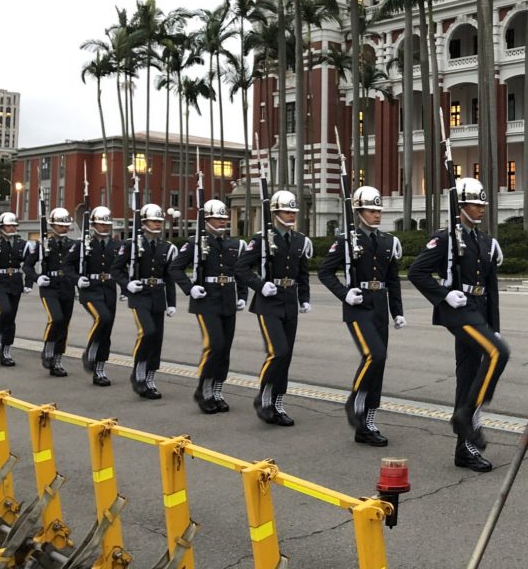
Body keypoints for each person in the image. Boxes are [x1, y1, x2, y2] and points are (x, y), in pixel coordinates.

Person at [408, 177, 509, 473]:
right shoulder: (445, 239)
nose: (480, 209)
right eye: (475, 204)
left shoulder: (484, 241)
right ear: (460, 205)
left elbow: (491, 289)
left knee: (467, 377)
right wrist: (444, 294)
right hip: (458, 311)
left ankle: (464, 450)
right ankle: (466, 415)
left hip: (477, 312)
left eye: (482, 204)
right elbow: (417, 272)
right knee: (498, 353)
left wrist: (495, 325)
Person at [318, 186, 404, 446]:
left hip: (379, 305)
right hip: (357, 306)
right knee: (374, 355)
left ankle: (367, 424)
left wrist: (397, 312)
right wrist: (344, 293)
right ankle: (354, 403)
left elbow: (393, 280)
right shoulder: (346, 241)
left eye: (379, 210)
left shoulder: (388, 241)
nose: (376, 215)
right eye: (371, 210)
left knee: (379, 363)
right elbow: (325, 272)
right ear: (358, 211)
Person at [235, 190, 312, 427]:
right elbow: (241, 268)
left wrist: (304, 298)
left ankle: (278, 403)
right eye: (286, 212)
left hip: (289, 301)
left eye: (293, 212)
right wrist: (259, 285)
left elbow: (302, 273)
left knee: (286, 356)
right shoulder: (261, 240)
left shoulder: (300, 240)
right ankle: (264, 399)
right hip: (268, 303)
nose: (290, 216)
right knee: (277, 352)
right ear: (275, 213)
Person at [170, 199, 248, 414]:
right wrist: (190, 288)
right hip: (206, 302)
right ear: (207, 219)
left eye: (224, 217)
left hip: (228, 301)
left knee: (225, 350)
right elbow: (175, 268)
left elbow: (240, 272)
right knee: (215, 345)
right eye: (217, 217)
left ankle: (217, 391)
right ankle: (203, 390)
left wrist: (242, 295)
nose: (222, 221)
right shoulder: (195, 243)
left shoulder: (234, 245)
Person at [111, 203, 179, 399]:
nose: (157, 224)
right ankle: (138, 373)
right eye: (153, 221)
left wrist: (172, 302)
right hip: (139, 296)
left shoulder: (166, 248)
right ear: (144, 222)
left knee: (156, 339)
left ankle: (150, 379)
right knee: (147, 332)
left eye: (159, 221)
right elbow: (116, 270)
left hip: (157, 296)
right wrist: (127, 285)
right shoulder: (130, 246)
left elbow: (169, 277)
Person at [63, 206, 121, 386]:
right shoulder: (82, 244)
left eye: (107, 224)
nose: (105, 227)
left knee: (107, 328)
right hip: (90, 290)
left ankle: (99, 369)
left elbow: (123, 269)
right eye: (101, 224)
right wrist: (77, 279)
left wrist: (126, 288)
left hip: (109, 289)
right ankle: (90, 351)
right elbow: (67, 266)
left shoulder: (116, 245)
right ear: (93, 224)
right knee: (102, 318)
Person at [23, 207, 77, 376]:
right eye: (61, 225)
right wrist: (37, 278)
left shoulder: (73, 245)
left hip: (67, 287)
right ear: (53, 226)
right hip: (50, 287)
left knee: (64, 324)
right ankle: (48, 347)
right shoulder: (43, 244)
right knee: (56, 318)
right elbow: (27, 266)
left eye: (66, 225)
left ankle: (58, 360)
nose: (65, 228)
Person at [0, 212, 33, 367]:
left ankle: (6, 351)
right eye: (9, 225)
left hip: (15, 282)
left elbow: (29, 265)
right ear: (1, 227)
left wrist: (29, 282)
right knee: (5, 310)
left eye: (14, 225)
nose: (12, 228)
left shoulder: (22, 244)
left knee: (11, 318)